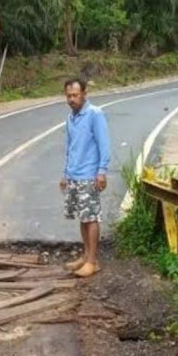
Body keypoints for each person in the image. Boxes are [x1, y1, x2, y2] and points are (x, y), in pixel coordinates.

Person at [60, 78, 110, 278]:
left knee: (91, 218)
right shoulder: (71, 118)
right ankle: (86, 255)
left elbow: (104, 144)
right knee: (83, 216)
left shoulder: (94, 115)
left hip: (89, 174)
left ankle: (92, 261)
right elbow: (70, 148)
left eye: (75, 95)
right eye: (69, 95)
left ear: (84, 94)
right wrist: (65, 173)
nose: (72, 99)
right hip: (74, 174)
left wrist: (102, 171)